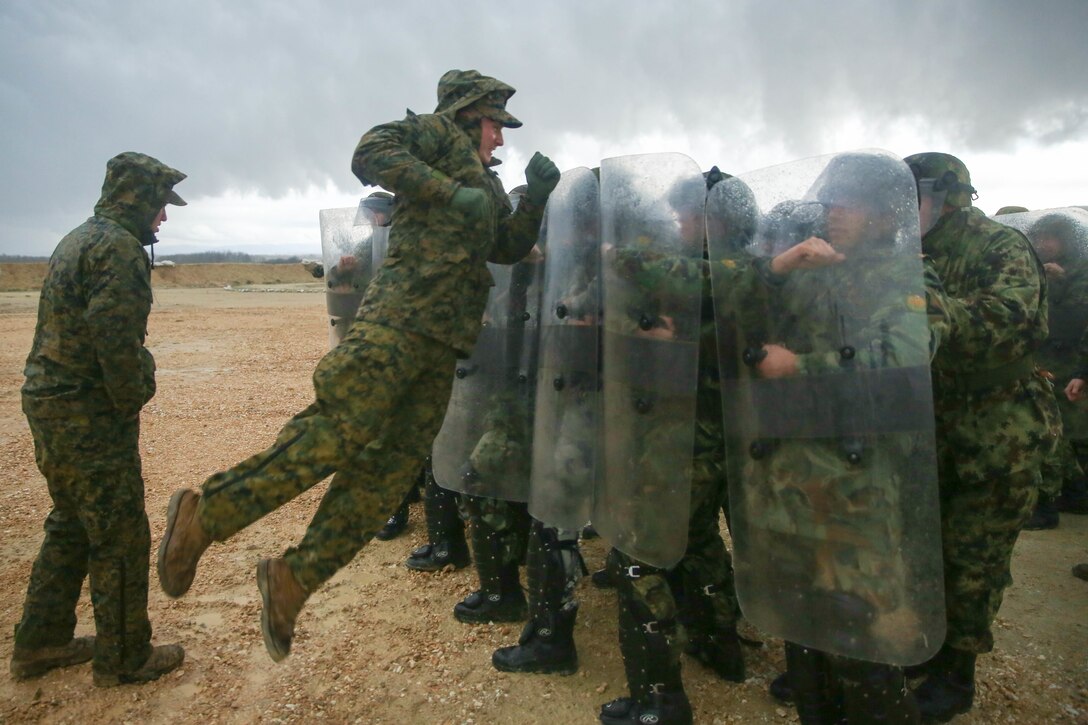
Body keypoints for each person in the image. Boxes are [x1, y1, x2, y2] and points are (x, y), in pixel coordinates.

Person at [156, 69, 559, 661]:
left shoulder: (489, 184)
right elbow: (369, 151)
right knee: (335, 434)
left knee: (388, 472)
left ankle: (295, 579)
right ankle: (206, 513)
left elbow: (502, 245)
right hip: (395, 325)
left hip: (442, 342)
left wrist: (538, 196)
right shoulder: (435, 135)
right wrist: (447, 192)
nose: (501, 138)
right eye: (497, 124)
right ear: (471, 114)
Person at [11, 152, 187, 687]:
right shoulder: (117, 248)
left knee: (71, 521)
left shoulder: (78, 238)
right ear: (138, 198)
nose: (163, 217)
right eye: (160, 205)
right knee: (119, 534)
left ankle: (41, 642)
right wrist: (138, 387)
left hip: (50, 403)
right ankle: (125, 657)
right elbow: (116, 342)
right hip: (86, 415)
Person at [904, 152, 1059, 722]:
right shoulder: (903, 245)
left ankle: (955, 674)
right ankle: (920, 649)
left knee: (971, 558)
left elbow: (1006, 320)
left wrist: (926, 307)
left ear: (947, 196)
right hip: (925, 420)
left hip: (996, 430)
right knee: (920, 549)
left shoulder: (999, 246)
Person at [1019, 210, 1088, 527]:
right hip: (1043, 358)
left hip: (1070, 361)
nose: (1043, 244)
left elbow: (1074, 319)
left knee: (1056, 431)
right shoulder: (1032, 267)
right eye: (1039, 237)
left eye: (1051, 238)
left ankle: (1048, 503)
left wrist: (1056, 283)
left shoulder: (1081, 272)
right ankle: (1073, 493)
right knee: (1056, 429)